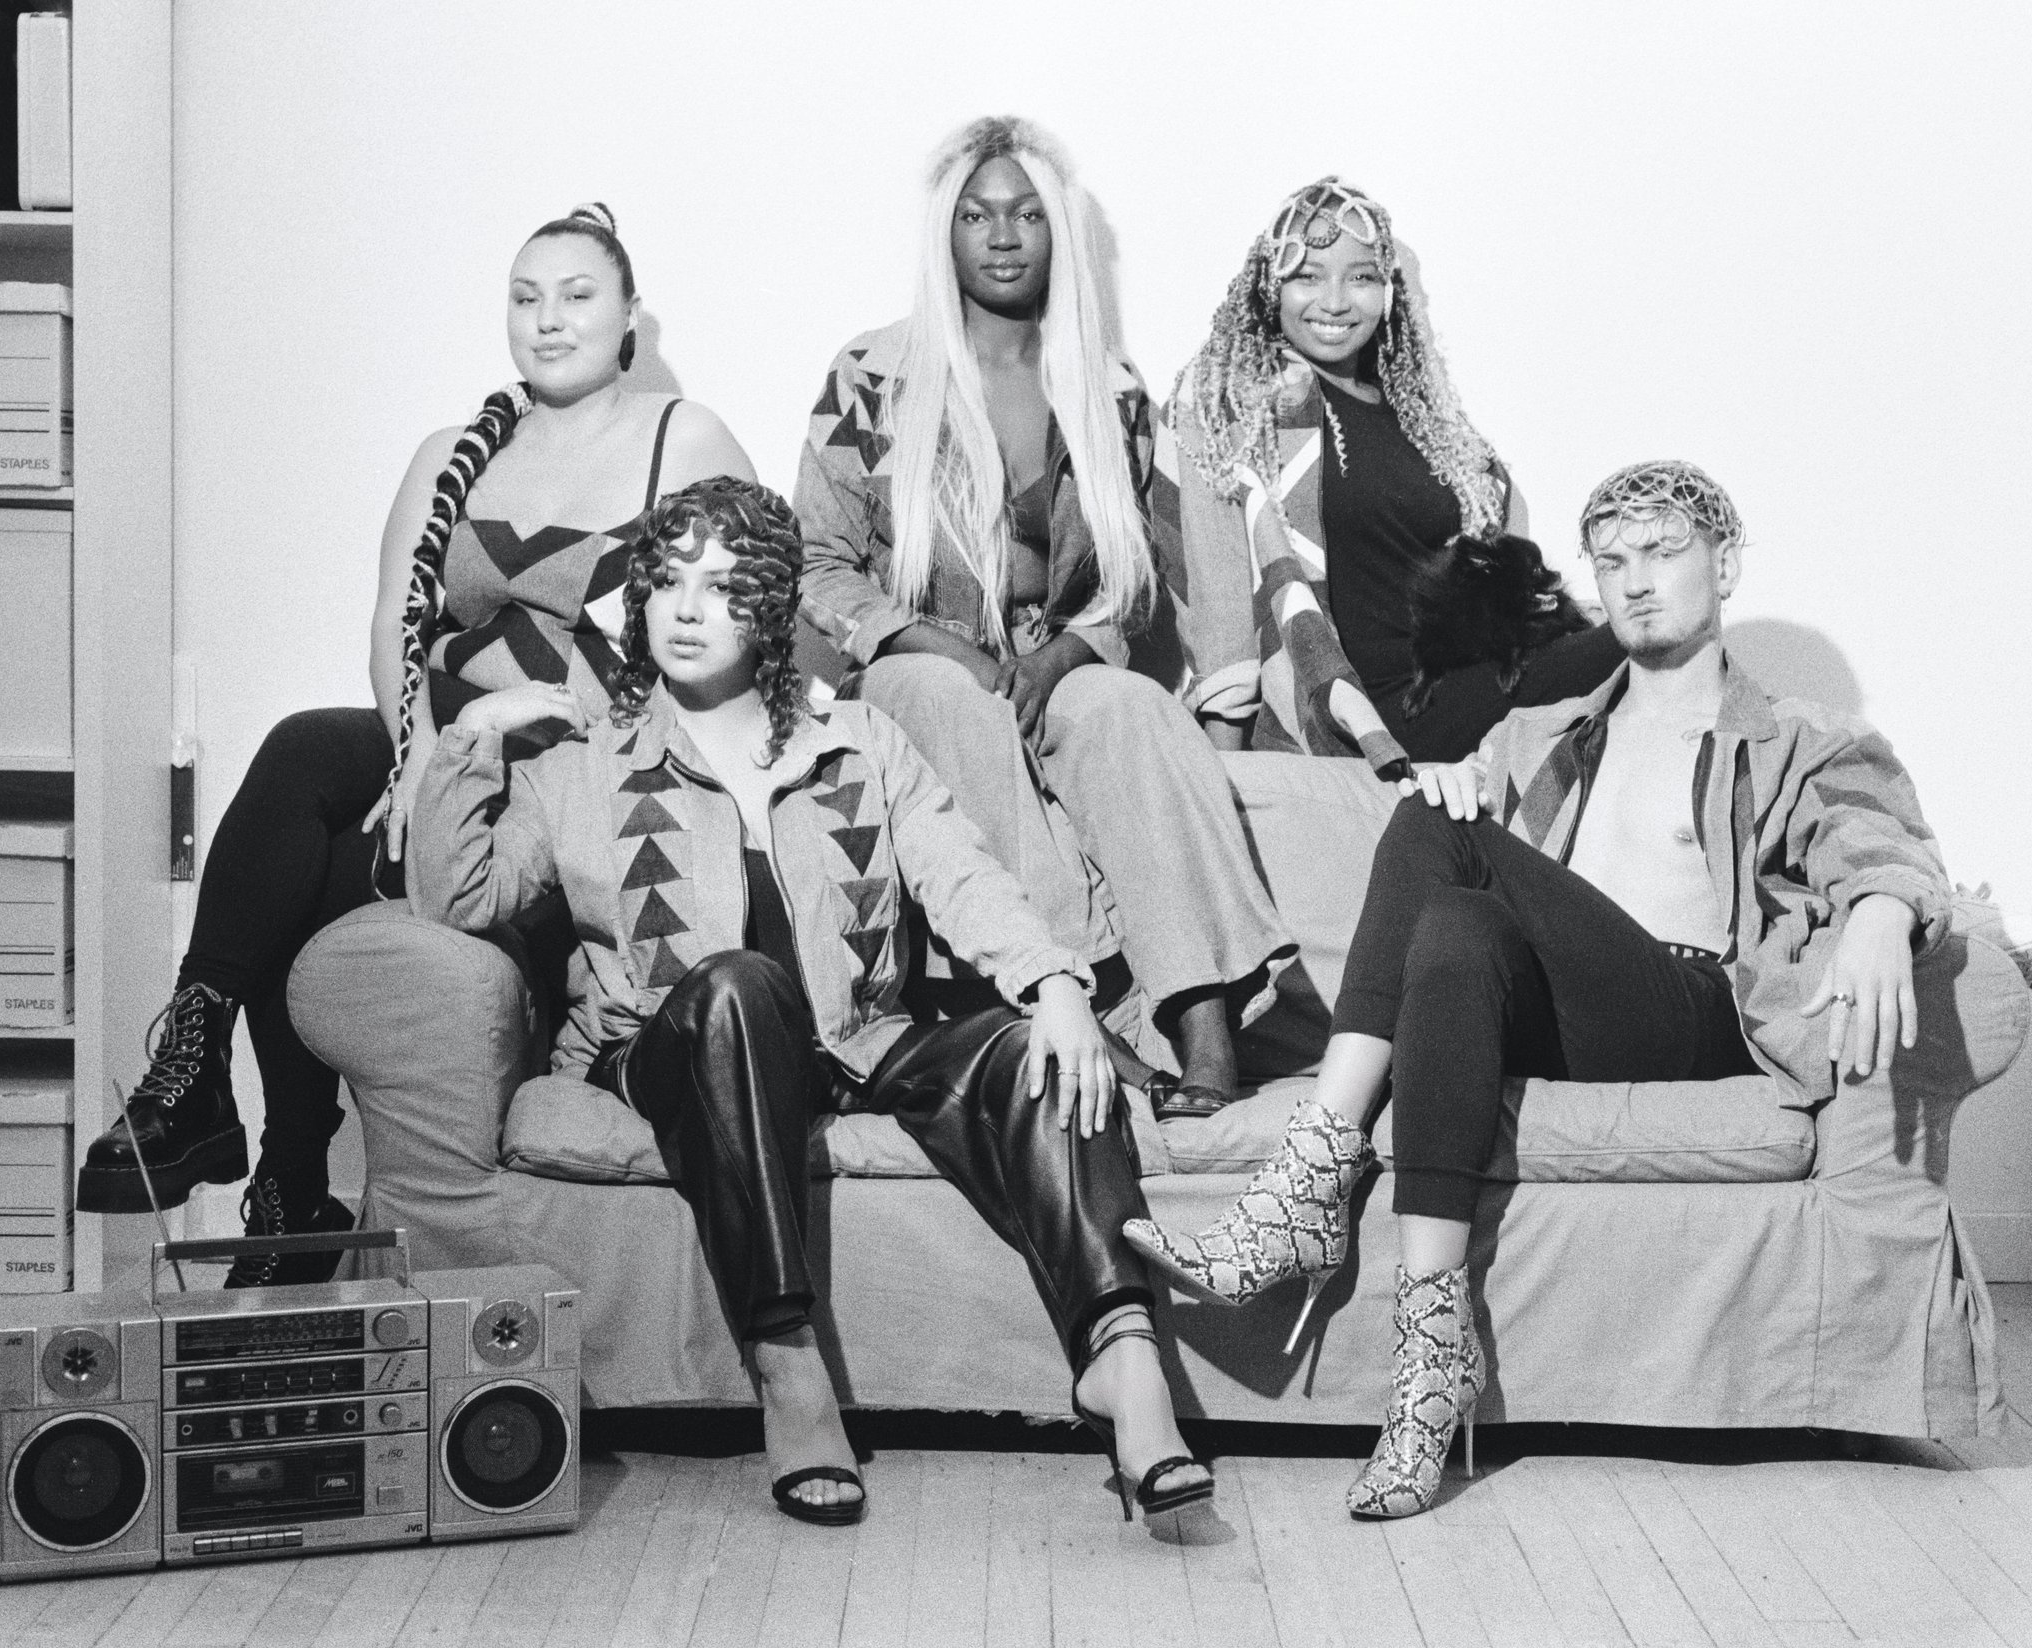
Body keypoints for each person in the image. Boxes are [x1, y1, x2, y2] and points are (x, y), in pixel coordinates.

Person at [1126, 461, 1959, 1520]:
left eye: (1663, 553)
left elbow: (1875, 833)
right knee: (1456, 915)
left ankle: (1303, 1189)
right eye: (1613, 563)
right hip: (1559, 1011)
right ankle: (1430, 1368)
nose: (1637, 582)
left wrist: (1884, 909)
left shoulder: (1796, 735)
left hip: (1689, 1009)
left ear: (1726, 563)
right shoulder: (1542, 731)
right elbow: (1465, 890)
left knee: (1438, 827)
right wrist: (1454, 773)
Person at [413, 476, 1213, 1527]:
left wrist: (1058, 984)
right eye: (668, 583)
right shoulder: (583, 762)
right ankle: (788, 1368)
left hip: (853, 1039)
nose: (689, 608)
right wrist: (476, 731)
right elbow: (456, 896)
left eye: (725, 584)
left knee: (1042, 1048)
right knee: (739, 987)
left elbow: (961, 876)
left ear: (774, 605)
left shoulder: (860, 741)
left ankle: (1124, 1361)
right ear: (639, 602)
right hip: (670, 1040)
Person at [72, 204, 754, 1287]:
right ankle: (196, 1071)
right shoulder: (453, 451)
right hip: (437, 751)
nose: (548, 318)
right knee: (303, 754)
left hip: (568, 780)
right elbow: (395, 629)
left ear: (629, 314)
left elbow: (741, 619)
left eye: (576, 294)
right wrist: (420, 758)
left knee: (318, 876)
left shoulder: (685, 438)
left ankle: (287, 1178)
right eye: (524, 297)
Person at [796, 115, 1293, 1117]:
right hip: (911, 661)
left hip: (1047, 660)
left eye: (1026, 213)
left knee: (1133, 711)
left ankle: (1203, 1018)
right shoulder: (869, 375)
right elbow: (817, 563)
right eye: (977, 215)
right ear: (946, 234)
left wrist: (1070, 649)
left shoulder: (1106, 387)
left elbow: (1131, 576)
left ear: (1056, 233)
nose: (1002, 234)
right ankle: (1072, 1000)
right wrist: (924, 638)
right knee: (944, 695)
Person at [1155, 176, 1624, 773]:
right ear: (1269, 288)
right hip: (1381, 709)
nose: (1335, 300)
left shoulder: (1422, 418)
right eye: (1307, 275)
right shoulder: (1240, 404)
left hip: (1476, 675)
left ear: (1388, 290)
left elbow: (1502, 556)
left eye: (1361, 276)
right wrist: (1229, 775)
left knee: (1661, 638)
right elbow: (1219, 597)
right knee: (1647, 638)